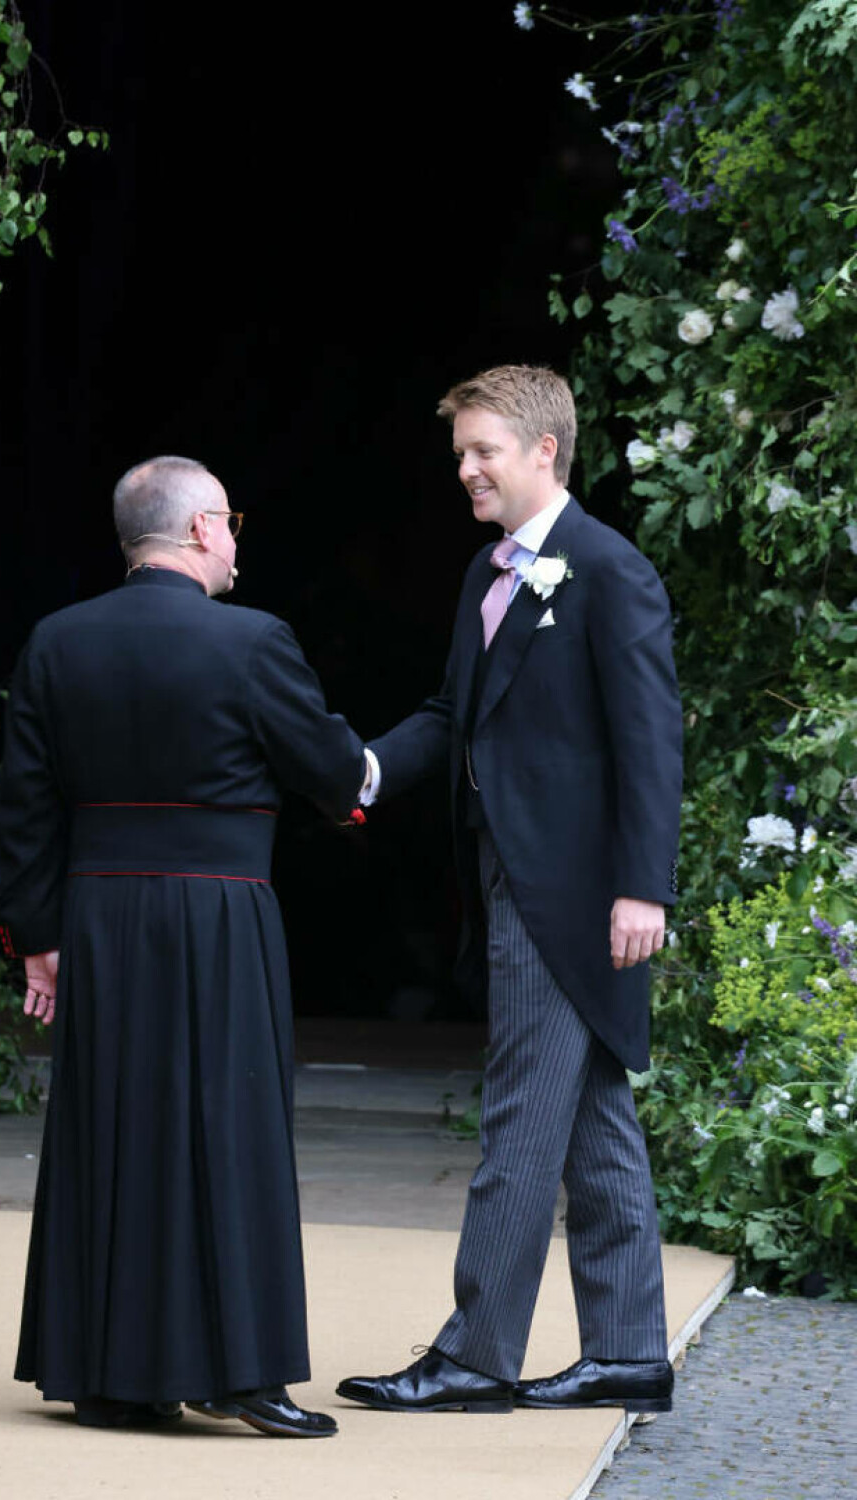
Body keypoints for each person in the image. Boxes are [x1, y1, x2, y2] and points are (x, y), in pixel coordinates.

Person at [0, 455, 369, 1438]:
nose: (236, 540)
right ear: (202, 529)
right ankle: (241, 1372)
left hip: (98, 915)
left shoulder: (56, 641)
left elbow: (23, 806)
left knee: (111, 1129)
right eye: (231, 522)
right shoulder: (253, 641)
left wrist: (36, 937)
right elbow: (334, 775)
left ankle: (110, 1373)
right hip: (216, 910)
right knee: (228, 1129)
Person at [338, 364, 683, 1417]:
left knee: (522, 1116)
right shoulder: (486, 572)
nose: (466, 471)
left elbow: (649, 739)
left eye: (483, 450)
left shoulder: (607, 570)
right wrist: (362, 770)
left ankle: (475, 1356)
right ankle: (627, 1350)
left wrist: (641, 889)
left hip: (569, 892)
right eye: (459, 455)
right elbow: (454, 713)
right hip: (513, 876)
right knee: (592, 1116)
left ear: (545, 451)